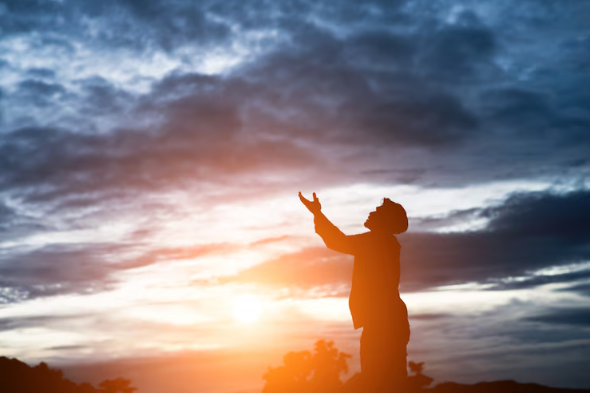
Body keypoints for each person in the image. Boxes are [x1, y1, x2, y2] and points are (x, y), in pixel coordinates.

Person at [298, 192, 410, 392]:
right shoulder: (383, 242)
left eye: (377, 211)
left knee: (381, 382)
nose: (370, 212)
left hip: (383, 323)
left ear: (385, 221)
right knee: (387, 381)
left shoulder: (377, 241)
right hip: (387, 320)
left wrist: (317, 213)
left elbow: (337, 241)